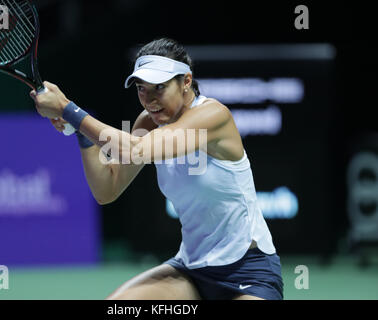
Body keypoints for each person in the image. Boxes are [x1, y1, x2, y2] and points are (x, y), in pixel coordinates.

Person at [30, 38, 283, 300]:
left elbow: (135, 150)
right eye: (142, 89)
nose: (149, 100)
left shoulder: (213, 115)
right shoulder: (147, 122)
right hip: (191, 272)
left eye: (159, 88)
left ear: (186, 81)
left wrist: (68, 110)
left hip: (249, 273)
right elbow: (107, 189)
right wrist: (81, 134)